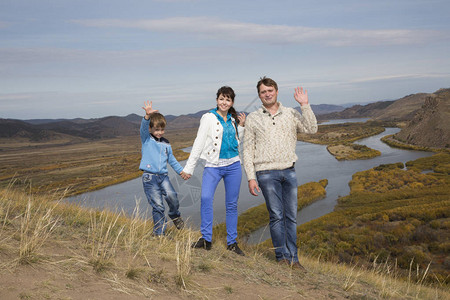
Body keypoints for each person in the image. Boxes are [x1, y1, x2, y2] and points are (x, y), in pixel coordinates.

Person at [243, 77, 317, 269]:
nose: (267, 94)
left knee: (291, 216)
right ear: (259, 95)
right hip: (265, 173)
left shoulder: (291, 113)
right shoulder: (253, 118)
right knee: (276, 216)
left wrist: (305, 105)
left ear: (276, 91)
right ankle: (281, 258)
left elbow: (311, 129)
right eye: (263, 92)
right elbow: (248, 150)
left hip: (289, 171)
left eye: (270, 90)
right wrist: (251, 177)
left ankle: (294, 259)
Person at [183, 86, 246, 256]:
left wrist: (241, 126)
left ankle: (232, 243)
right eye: (221, 99)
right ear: (217, 100)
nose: (224, 102)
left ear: (232, 102)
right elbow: (198, 143)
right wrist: (189, 168)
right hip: (213, 166)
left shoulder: (233, 118)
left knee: (232, 204)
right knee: (205, 198)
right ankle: (206, 239)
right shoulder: (208, 118)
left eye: (228, 99)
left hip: (233, 165)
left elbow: (236, 142)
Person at [139, 101, 189, 236]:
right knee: (158, 206)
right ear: (150, 129)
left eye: (162, 129)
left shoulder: (166, 144)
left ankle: (175, 215)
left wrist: (181, 172)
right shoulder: (146, 139)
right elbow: (143, 128)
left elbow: (171, 159)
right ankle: (159, 234)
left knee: (173, 197)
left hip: (163, 177)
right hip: (150, 178)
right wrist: (147, 117)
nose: (160, 132)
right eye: (156, 129)